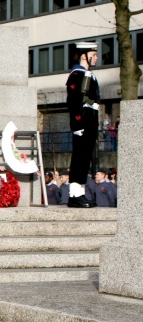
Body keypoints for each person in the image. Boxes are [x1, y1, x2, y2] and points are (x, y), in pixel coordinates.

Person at [66, 42, 100, 208]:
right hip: (82, 122)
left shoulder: (88, 74)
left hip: (90, 121)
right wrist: (77, 124)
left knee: (86, 158)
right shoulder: (76, 75)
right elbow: (73, 102)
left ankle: (81, 193)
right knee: (79, 158)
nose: (96, 58)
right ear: (84, 55)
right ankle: (74, 194)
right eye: (93, 54)